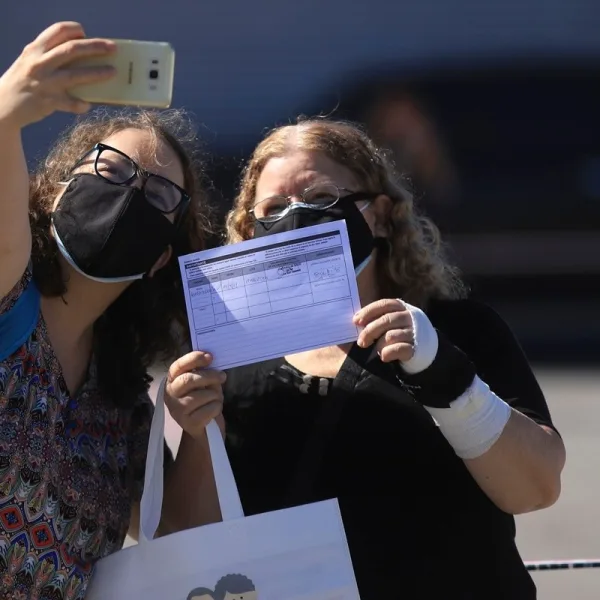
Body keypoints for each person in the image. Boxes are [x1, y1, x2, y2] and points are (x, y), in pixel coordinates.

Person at [217, 118, 566, 598]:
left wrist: (446, 376)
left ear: (379, 215)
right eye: (274, 208)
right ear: (251, 230)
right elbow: (196, 528)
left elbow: (536, 489)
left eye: (321, 199)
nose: (297, 219)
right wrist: (190, 423)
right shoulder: (232, 361)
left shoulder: (461, 330)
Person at [0, 22, 223, 599]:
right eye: (113, 170)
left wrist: (197, 431)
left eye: (158, 197)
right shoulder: (9, 292)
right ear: (53, 189)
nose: (130, 197)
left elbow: (178, 537)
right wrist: (7, 112)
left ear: (159, 259)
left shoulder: (119, 396)